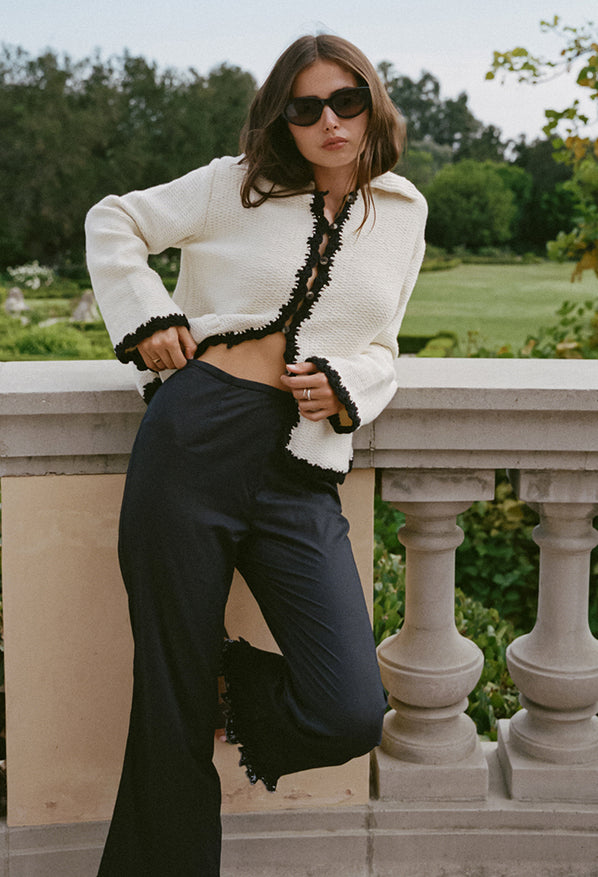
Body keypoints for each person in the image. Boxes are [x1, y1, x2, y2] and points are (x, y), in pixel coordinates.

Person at [85, 32, 427, 876]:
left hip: (300, 468)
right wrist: (148, 316)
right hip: (194, 438)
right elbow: (115, 218)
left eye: (346, 101)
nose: (329, 122)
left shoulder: (404, 211)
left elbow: (384, 346)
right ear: (282, 118)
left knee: (350, 708)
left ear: (372, 103)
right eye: (305, 108)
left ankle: (221, 681)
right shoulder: (231, 185)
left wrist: (347, 383)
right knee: (166, 714)